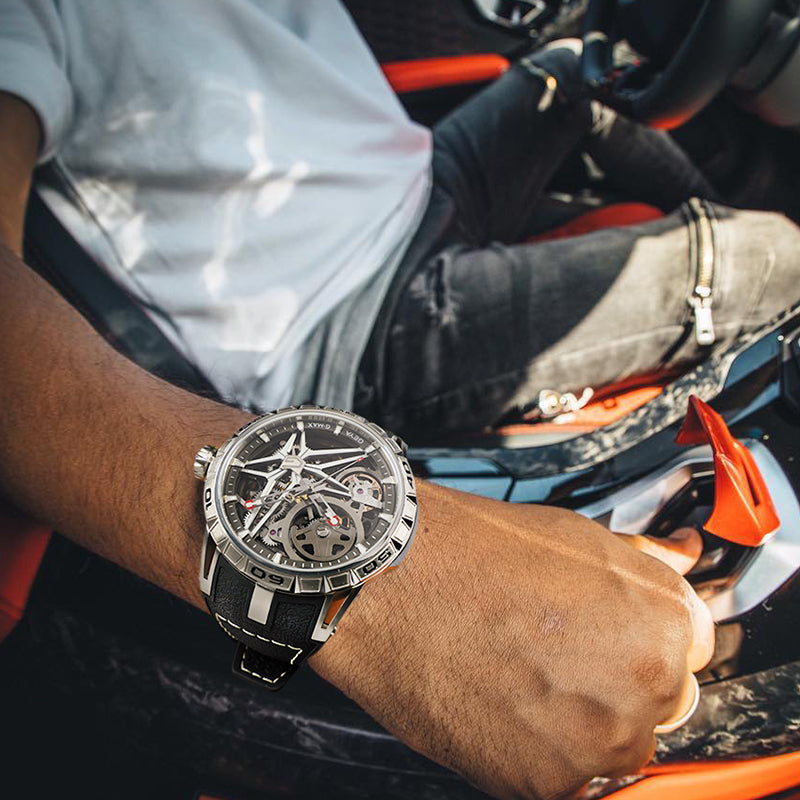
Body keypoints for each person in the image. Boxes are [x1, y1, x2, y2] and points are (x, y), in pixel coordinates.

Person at [1, 0, 796, 797]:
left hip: (417, 181)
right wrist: (370, 576)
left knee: (574, 72)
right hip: (352, 320)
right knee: (771, 256)